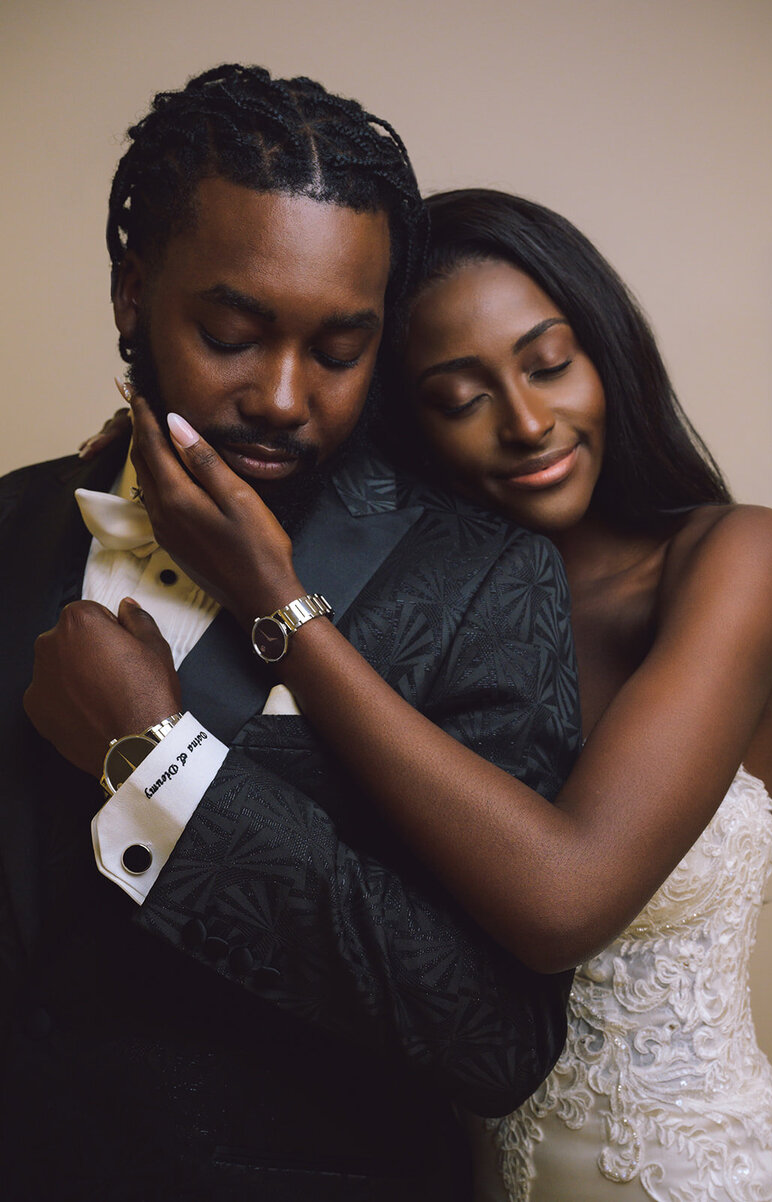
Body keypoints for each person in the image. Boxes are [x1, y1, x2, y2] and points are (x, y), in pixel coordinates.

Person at [88, 188, 772, 1201]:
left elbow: (561, 902)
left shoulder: (738, 557)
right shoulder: (408, 609)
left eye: (550, 361)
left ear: (608, 350)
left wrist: (275, 601)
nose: (525, 420)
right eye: (458, 397)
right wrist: (145, 468)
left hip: (684, 1176)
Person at [3, 74, 582, 1200]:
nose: (279, 394)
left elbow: (495, 1037)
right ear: (132, 295)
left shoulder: (480, 579)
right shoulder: (10, 523)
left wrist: (161, 763)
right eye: (231, 331)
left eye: (338, 349)